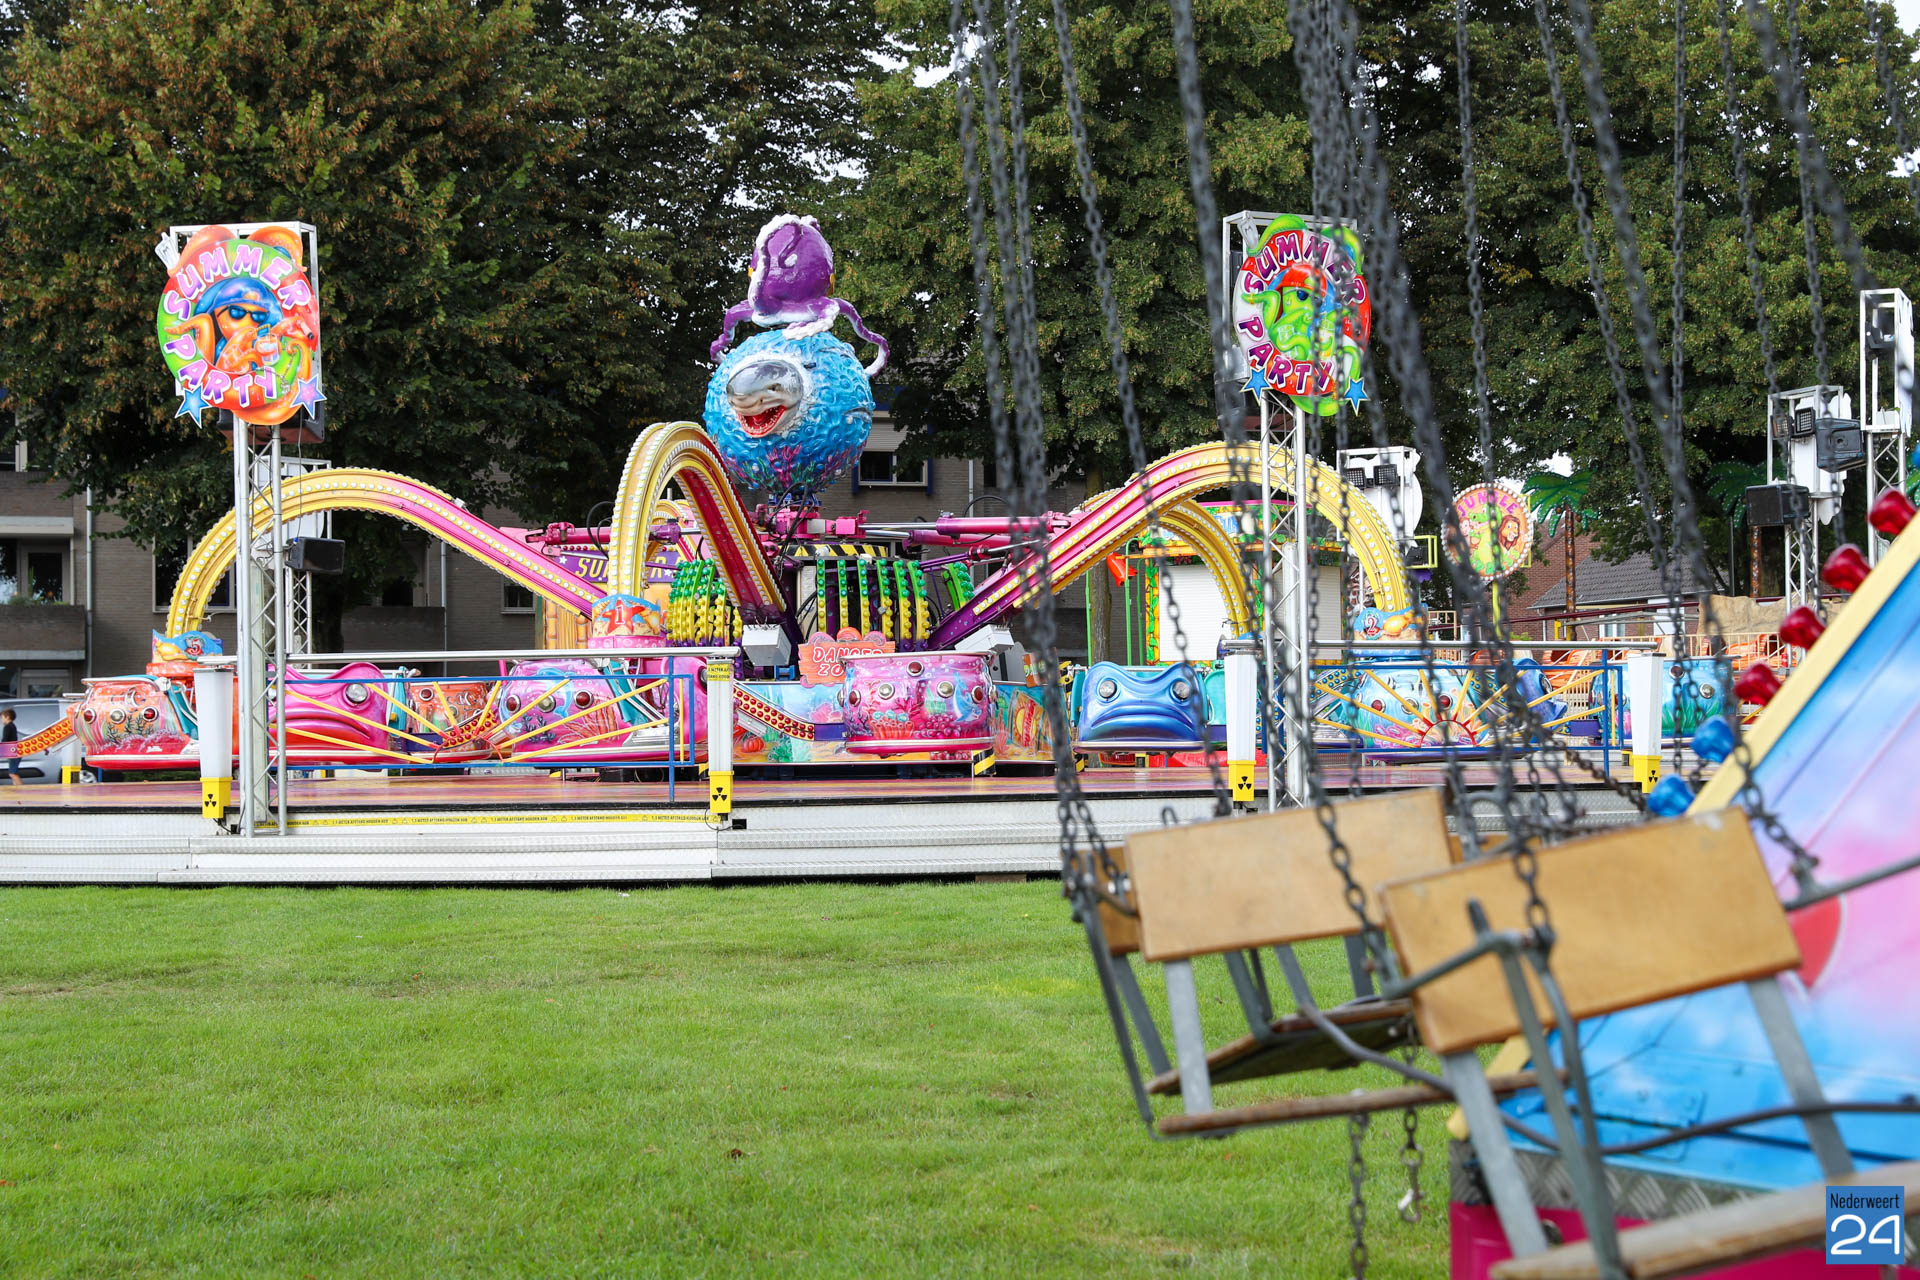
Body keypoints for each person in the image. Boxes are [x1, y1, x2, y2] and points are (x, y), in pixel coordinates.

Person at [2, 707, 19, 785]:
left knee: (13, 774)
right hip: (15, 750)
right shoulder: (13, 726)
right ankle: (17, 789)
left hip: (12, 751)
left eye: (2, 718)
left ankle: (21, 789)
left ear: (7, 717)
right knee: (13, 773)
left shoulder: (7, 727)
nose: (2, 720)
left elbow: (4, 740)